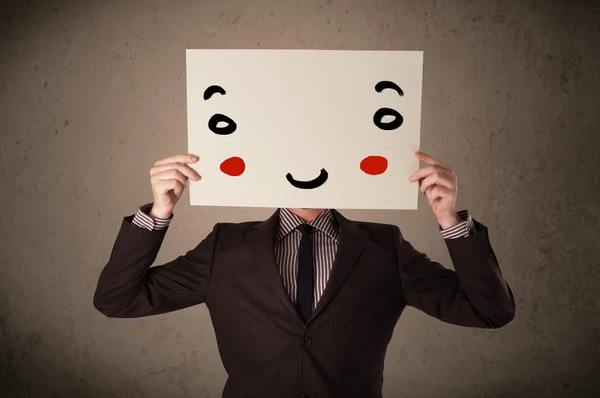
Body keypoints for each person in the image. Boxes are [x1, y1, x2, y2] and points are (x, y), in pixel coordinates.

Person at [93, 151, 515, 398]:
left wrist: (449, 219)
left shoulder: (384, 248)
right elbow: (118, 300)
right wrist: (159, 213)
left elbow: (488, 312)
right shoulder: (225, 247)